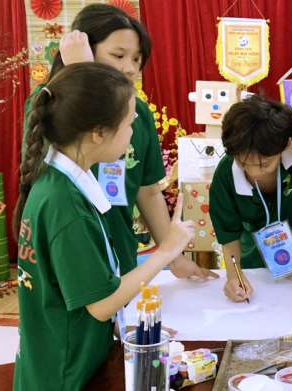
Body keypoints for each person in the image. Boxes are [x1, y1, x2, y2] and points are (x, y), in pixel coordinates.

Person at [13, 63, 195, 390]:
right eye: (129, 123)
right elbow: (101, 305)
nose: (133, 130)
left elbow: (75, 291)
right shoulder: (65, 205)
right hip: (67, 374)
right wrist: (167, 249)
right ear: (98, 132)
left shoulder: (59, 181)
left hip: (60, 358)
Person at [21, 4, 216, 280]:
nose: (129, 69)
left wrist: (174, 258)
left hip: (119, 258)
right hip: (68, 257)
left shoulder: (139, 113)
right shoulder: (50, 101)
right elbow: (54, 174)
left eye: (136, 59)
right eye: (118, 55)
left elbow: (148, 192)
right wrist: (81, 72)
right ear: (84, 51)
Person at [209, 96, 292, 302]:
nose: (254, 171)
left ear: (285, 146)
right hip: (257, 267)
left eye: (264, 164)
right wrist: (233, 276)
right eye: (243, 162)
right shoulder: (225, 174)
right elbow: (229, 237)